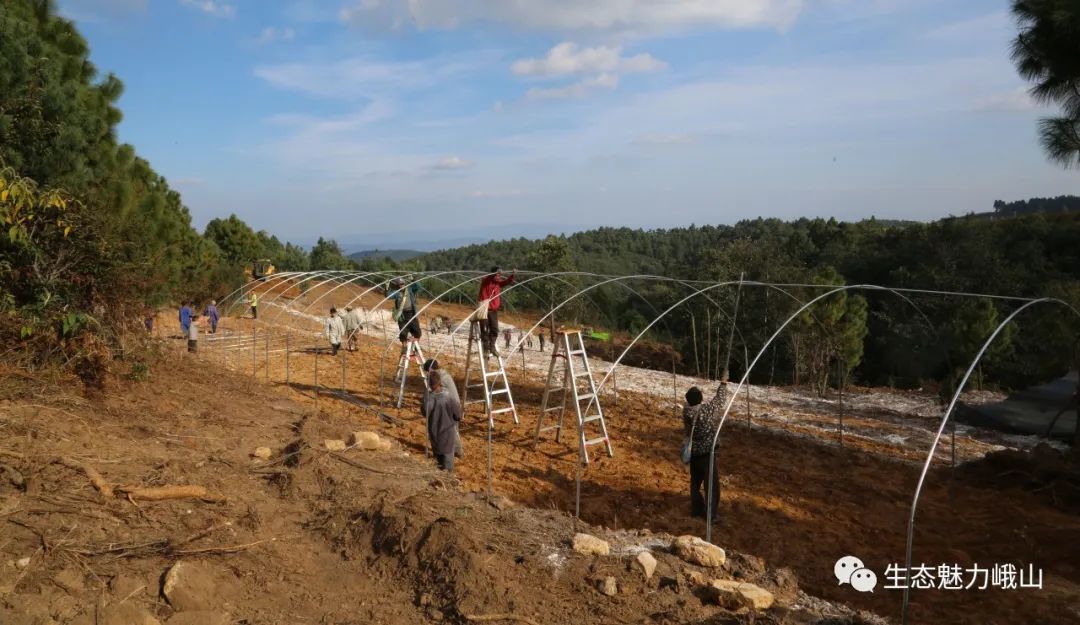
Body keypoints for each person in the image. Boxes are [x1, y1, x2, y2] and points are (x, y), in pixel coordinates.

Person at [682, 384, 728, 520]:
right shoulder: (705, 410)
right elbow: (719, 401)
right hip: (707, 453)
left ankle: (697, 510)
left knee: (695, 483)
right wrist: (723, 384)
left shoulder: (686, 412)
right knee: (711, 485)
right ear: (700, 398)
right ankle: (711, 515)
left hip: (694, 452)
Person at [421, 370, 462, 473]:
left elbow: (424, 412)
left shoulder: (430, 399)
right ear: (440, 382)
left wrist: (425, 397)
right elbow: (458, 415)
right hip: (448, 435)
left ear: (430, 385)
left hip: (435, 435)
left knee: (438, 462)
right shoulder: (449, 396)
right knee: (448, 465)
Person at [478, 267, 515, 356]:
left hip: (493, 311)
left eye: (499, 275)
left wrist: (512, 275)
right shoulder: (486, 281)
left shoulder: (498, 283)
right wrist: (495, 273)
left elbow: (507, 282)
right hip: (484, 309)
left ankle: (492, 347)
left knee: (494, 329)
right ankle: (486, 349)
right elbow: (489, 277)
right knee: (484, 330)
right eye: (497, 274)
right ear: (494, 273)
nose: (499, 276)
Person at [388, 277, 422, 345]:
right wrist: (386, 288)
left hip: (411, 313)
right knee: (403, 334)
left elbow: (418, 287)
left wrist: (413, 280)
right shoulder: (397, 293)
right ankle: (404, 348)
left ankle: (415, 346)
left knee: (417, 332)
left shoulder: (410, 290)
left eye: (402, 284)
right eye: (400, 284)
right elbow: (388, 296)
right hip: (402, 315)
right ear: (397, 286)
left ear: (405, 284)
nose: (401, 285)